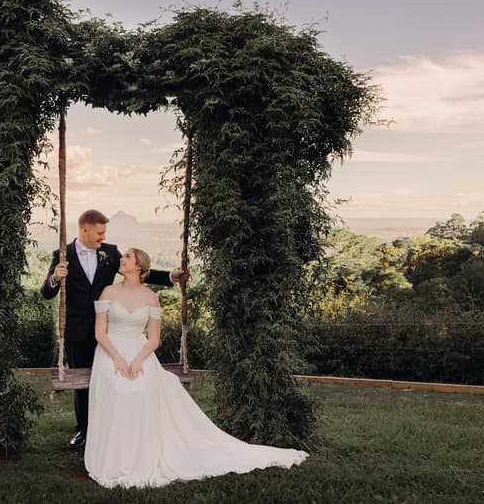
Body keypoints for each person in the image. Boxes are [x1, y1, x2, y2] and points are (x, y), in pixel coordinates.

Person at [85, 247, 308, 488]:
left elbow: (153, 339)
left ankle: (139, 455)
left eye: (127, 257)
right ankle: (114, 457)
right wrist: (118, 358)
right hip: (110, 350)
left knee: (141, 387)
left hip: (140, 352)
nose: (121, 259)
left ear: (139, 266)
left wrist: (138, 359)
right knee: (119, 388)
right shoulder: (109, 291)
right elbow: (100, 332)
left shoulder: (150, 297)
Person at [41, 209, 187, 449]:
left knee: (112, 378)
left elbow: (138, 272)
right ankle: (85, 431)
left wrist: (171, 276)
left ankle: (114, 426)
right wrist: (56, 278)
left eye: (104, 232)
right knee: (83, 383)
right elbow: (46, 292)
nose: (103, 236)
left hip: (109, 327)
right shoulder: (62, 254)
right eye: (99, 232)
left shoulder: (109, 253)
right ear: (84, 230)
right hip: (77, 330)